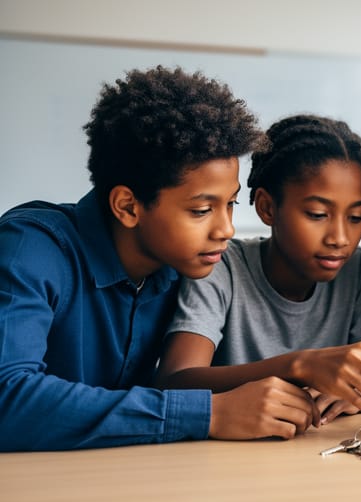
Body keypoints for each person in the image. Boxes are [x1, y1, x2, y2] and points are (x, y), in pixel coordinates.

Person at [0, 66, 314, 451]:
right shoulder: (29, 249)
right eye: (201, 210)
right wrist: (209, 413)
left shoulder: (190, 265)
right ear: (128, 206)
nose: (226, 229)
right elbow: (8, 399)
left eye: (230, 204)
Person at [154, 114, 361, 424]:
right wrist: (297, 366)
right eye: (318, 214)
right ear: (267, 207)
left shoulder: (355, 271)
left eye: (356, 217)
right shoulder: (221, 266)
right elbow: (174, 382)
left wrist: (359, 394)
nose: (340, 239)